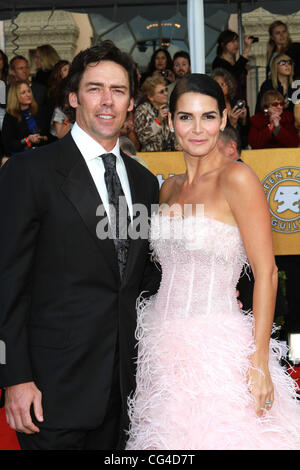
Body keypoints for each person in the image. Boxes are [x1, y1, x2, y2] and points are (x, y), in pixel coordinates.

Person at [126, 73, 300, 450]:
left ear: (223, 120)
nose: (197, 128)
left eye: (208, 116)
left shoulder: (237, 178)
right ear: (171, 122)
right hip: (160, 343)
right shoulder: (167, 187)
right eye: (186, 117)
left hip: (217, 344)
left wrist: (259, 362)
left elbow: (267, 272)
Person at [0, 44, 160, 450]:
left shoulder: (144, 183)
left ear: (130, 101)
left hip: (127, 393)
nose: (107, 101)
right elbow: (7, 282)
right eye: (95, 89)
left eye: (119, 90)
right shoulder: (29, 171)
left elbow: (139, 279)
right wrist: (14, 377)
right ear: (73, 98)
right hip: (53, 392)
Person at [1, 80, 50, 156]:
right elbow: (8, 144)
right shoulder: (10, 116)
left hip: (40, 153)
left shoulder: (38, 111)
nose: (28, 95)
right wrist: (28, 140)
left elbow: (48, 136)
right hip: (20, 157)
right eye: (23, 92)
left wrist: (41, 138)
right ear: (15, 96)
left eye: (29, 91)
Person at [212, 29, 254, 103]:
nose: (236, 44)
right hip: (228, 101)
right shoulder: (219, 62)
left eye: (237, 41)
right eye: (232, 42)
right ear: (223, 44)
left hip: (242, 99)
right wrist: (246, 49)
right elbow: (233, 75)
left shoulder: (234, 61)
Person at [211, 67, 249, 148]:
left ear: (229, 86)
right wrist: (231, 123)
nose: (220, 87)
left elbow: (245, 136)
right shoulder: (210, 106)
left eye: (223, 84)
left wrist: (243, 120)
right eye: (216, 84)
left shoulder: (234, 103)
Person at [134, 75, 174, 151]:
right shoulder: (142, 111)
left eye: (166, 90)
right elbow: (143, 138)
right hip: (150, 156)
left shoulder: (172, 108)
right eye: (161, 92)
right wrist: (158, 121)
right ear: (150, 97)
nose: (165, 93)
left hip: (172, 155)